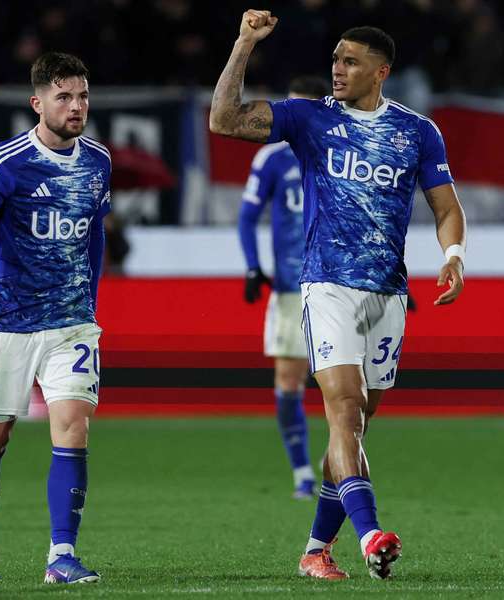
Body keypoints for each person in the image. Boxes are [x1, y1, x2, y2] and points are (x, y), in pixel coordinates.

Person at [210, 12, 466, 581]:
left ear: (381, 72)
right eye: (335, 60)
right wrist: (244, 44)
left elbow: (446, 208)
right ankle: (372, 534)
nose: (338, 69)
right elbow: (224, 119)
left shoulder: (418, 131)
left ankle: (315, 550)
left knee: (352, 427)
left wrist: (453, 258)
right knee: (344, 409)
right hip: (327, 285)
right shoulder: (308, 118)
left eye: (350, 62)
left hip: (389, 296)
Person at [0, 51, 110, 585]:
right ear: (37, 102)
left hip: (72, 324)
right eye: (64, 97)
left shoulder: (98, 162)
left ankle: (61, 555)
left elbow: (95, 233)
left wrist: (89, 298)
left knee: (72, 427)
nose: (76, 106)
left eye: (82, 96)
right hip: (9, 324)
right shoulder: (4, 164)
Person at [238, 75, 330, 500]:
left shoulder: (339, 153)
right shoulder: (272, 158)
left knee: (343, 388)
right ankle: (302, 473)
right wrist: (254, 267)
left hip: (338, 282)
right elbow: (247, 216)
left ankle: (342, 470)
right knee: (290, 381)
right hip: (292, 288)